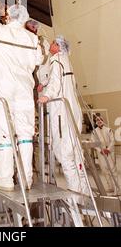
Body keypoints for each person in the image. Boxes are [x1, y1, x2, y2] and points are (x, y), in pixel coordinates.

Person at [0, 4, 43, 191]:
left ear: (9, 17)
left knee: (5, 134)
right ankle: (26, 179)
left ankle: (4, 179)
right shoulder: (32, 38)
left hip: (4, 91)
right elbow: (39, 60)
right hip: (24, 92)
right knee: (25, 136)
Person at [38, 36, 88, 195]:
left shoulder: (56, 60)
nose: (51, 44)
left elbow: (56, 83)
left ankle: (75, 193)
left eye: (53, 43)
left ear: (59, 47)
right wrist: (44, 84)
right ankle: (84, 190)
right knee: (76, 151)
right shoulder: (66, 60)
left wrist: (47, 95)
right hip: (73, 111)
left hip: (62, 113)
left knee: (64, 153)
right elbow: (60, 80)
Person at [92, 116, 120, 194]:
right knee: (104, 170)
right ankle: (110, 187)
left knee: (113, 170)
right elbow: (93, 142)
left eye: (100, 119)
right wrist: (100, 150)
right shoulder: (94, 131)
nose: (99, 121)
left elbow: (112, 141)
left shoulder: (109, 130)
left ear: (103, 120)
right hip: (101, 154)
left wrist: (108, 149)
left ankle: (117, 189)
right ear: (95, 122)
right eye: (97, 120)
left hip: (109, 153)